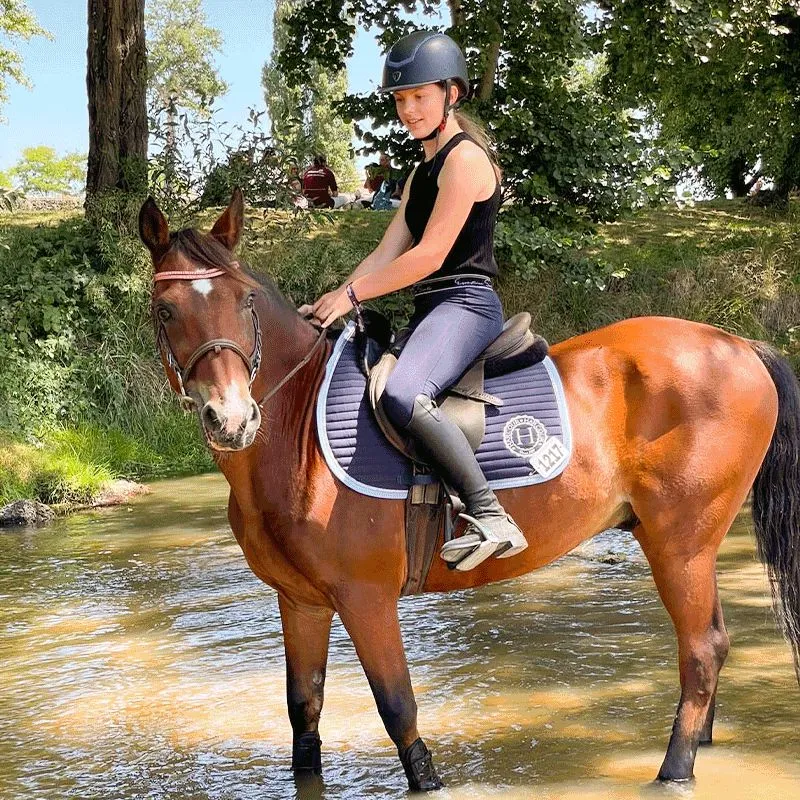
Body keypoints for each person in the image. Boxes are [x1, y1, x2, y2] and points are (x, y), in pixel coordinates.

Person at [298, 30, 527, 571]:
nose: (408, 109)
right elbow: (387, 252)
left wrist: (352, 293)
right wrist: (334, 300)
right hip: (432, 308)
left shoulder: (465, 162)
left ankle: (491, 514)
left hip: (467, 304)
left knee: (403, 395)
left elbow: (428, 257)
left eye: (419, 96)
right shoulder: (420, 172)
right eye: (400, 99)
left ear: (452, 94)